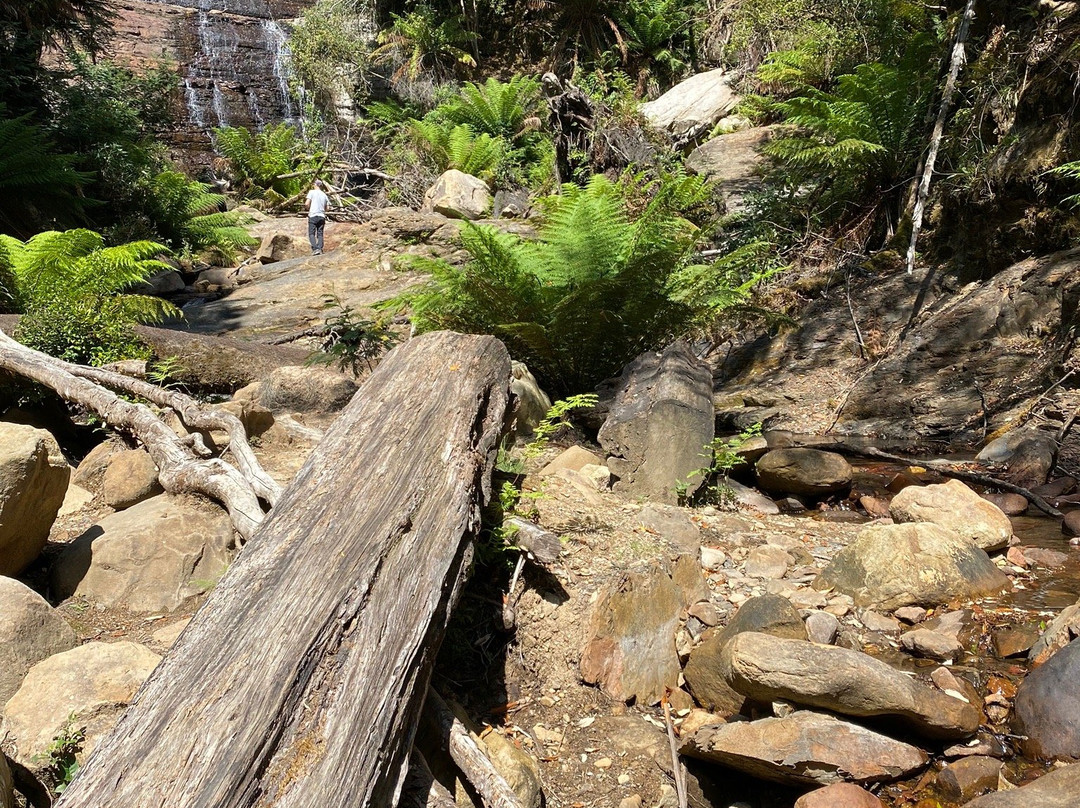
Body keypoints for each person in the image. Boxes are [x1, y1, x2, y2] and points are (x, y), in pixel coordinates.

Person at [306, 179, 330, 255]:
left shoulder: (311, 192)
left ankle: (315, 249)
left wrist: (308, 208)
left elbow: (307, 203)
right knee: (320, 233)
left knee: (311, 233)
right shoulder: (324, 195)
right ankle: (320, 248)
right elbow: (328, 208)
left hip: (313, 215)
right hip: (321, 216)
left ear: (315, 185)